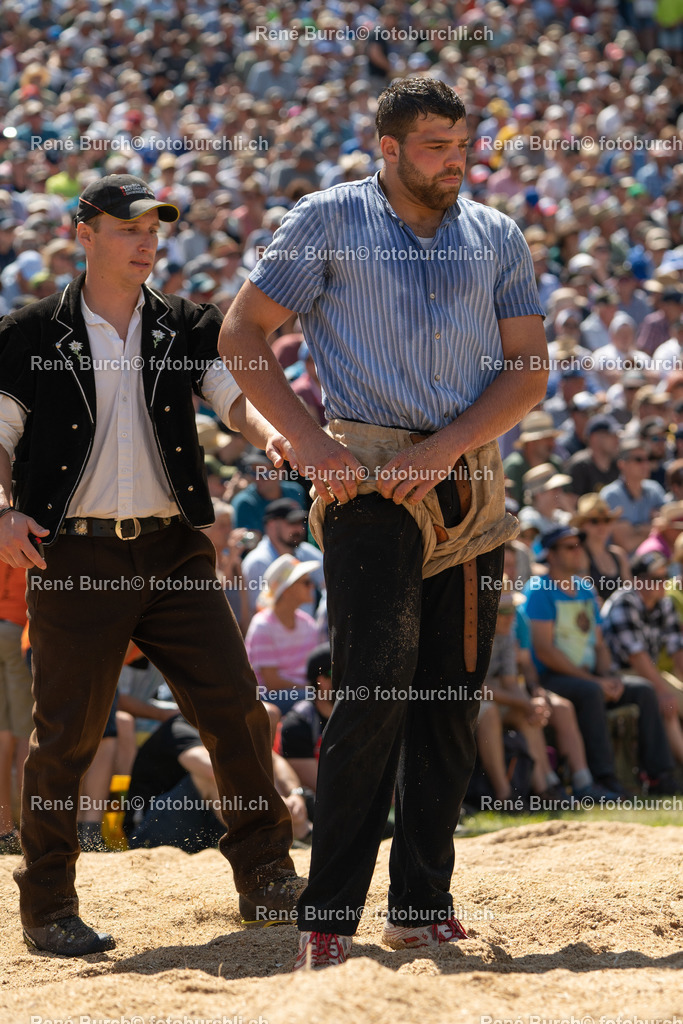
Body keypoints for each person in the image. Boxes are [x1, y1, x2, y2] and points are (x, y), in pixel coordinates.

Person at [219, 78, 547, 969]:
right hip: (364, 481)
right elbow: (242, 334)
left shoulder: (495, 233)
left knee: (448, 697)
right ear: (390, 147)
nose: (456, 158)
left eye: (461, 141)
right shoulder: (328, 217)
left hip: (468, 481)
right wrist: (308, 445)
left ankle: (421, 904)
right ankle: (326, 919)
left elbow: (527, 370)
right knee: (369, 695)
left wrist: (447, 447)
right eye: (437, 144)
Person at [0, 174, 304, 956]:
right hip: (75, 554)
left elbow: (233, 395)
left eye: (155, 228)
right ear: (84, 233)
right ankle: (49, 906)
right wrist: (3, 514)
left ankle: (267, 877)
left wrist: (269, 433)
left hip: (173, 549)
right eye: (130, 226)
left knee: (238, 708)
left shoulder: (186, 325)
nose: (147, 240)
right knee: (65, 735)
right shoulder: (28, 333)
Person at [523, 525, 674, 796]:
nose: (578, 551)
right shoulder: (539, 590)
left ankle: (659, 775)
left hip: (589, 676)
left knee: (643, 690)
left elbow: (600, 644)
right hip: (552, 679)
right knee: (591, 692)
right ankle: (603, 779)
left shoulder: (584, 589)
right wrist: (595, 681)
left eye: (578, 545)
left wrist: (608, 676)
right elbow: (544, 650)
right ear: (551, 554)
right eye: (569, 547)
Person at [245, 553, 321, 734]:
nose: (312, 586)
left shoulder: (307, 623)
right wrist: (313, 691)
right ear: (287, 589)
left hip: (300, 695)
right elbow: (271, 682)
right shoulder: (262, 625)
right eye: (305, 582)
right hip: (266, 698)